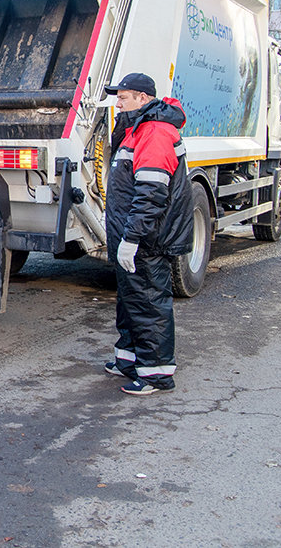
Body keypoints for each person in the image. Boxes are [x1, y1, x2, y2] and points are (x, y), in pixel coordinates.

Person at [102, 73, 193, 396]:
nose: (118, 102)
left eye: (124, 97)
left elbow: (151, 194)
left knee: (149, 301)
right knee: (131, 298)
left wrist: (132, 238)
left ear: (143, 98)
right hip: (135, 232)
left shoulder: (153, 132)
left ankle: (156, 374)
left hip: (147, 238)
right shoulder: (138, 128)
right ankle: (129, 359)